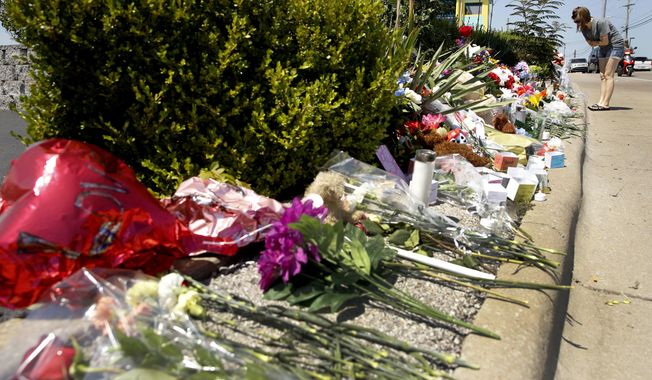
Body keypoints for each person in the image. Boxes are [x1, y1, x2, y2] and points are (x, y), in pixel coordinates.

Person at [572, 6, 625, 111]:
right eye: (575, 21)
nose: (577, 24)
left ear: (584, 17)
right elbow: (591, 44)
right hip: (602, 48)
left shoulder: (601, 22)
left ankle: (605, 104)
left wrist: (596, 42)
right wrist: (598, 42)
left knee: (608, 75)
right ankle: (600, 102)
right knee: (602, 76)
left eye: (578, 21)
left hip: (615, 45)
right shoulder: (583, 29)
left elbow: (604, 42)